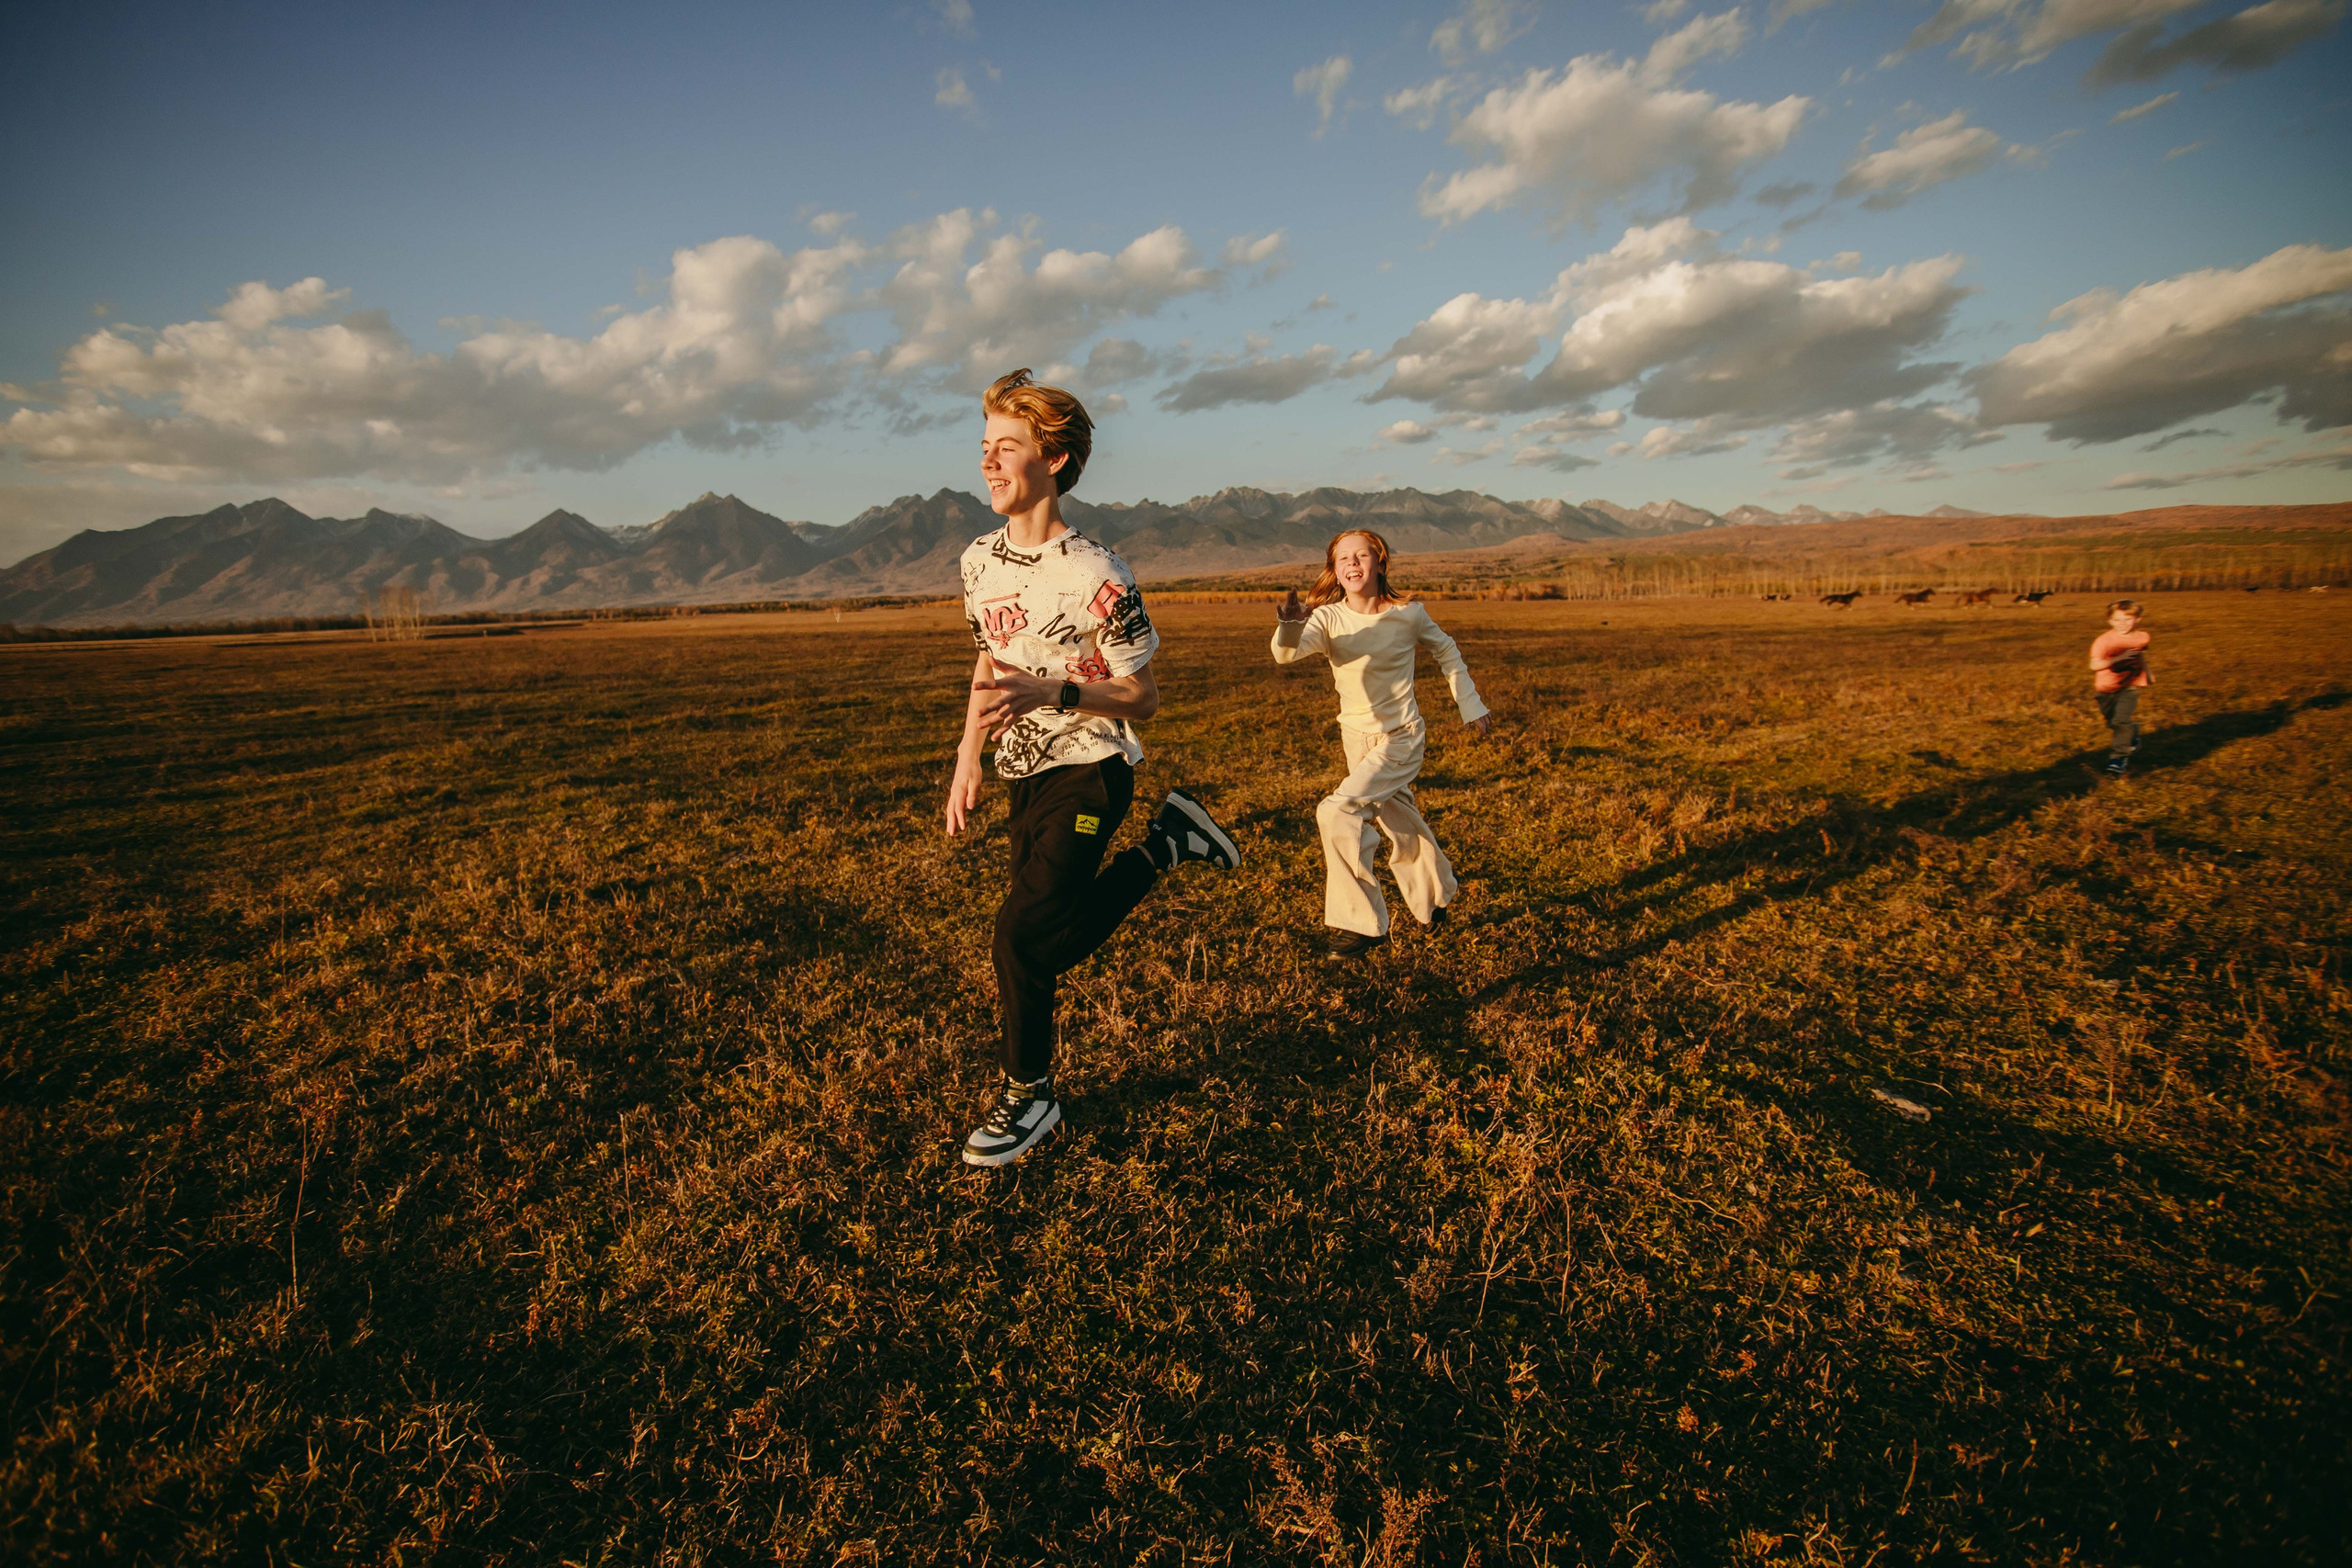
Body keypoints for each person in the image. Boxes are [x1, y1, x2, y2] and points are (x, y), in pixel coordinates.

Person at [945, 368, 1240, 1168]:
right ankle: (1170, 846)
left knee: (1019, 935)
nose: (988, 462)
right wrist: (968, 755)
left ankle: (1029, 1096)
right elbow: (987, 655)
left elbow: (1142, 697)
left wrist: (1059, 690)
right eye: (984, 447)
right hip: (1023, 775)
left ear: (1057, 458)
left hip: (1093, 767)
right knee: (1043, 936)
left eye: (1006, 447)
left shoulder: (1097, 572)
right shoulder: (977, 561)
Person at [1272, 529, 1490, 958]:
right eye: (1343, 559)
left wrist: (1471, 704)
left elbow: (1447, 651)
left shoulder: (1409, 614)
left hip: (1401, 737)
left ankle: (1361, 923)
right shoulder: (1327, 619)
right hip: (1356, 740)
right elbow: (1285, 655)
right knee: (1399, 819)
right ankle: (1437, 894)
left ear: (1381, 561)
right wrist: (1290, 626)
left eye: (1362, 555)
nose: (1353, 564)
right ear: (1334, 570)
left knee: (1337, 810)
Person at [2088, 598, 2152, 777]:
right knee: (2112, 722)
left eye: (2127, 619)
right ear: (2110, 621)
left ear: (2137, 619)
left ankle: (2118, 759)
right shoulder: (2104, 641)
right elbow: (2094, 665)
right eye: (2117, 620)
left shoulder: (2142, 637)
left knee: (2120, 721)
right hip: (2105, 688)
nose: (2122, 624)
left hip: (2129, 686)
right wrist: (2118, 658)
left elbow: (2139, 656)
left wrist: (2147, 674)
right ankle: (2133, 732)